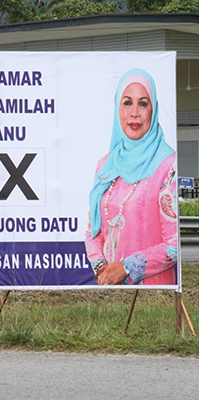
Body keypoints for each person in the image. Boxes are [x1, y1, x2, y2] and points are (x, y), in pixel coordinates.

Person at [85, 68, 178, 286]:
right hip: (111, 293)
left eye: (143, 103)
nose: (134, 112)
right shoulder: (105, 166)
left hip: (155, 295)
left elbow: (174, 245)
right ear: (118, 107)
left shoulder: (168, 165)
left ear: (153, 110)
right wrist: (101, 267)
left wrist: (126, 267)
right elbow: (93, 231)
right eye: (127, 102)